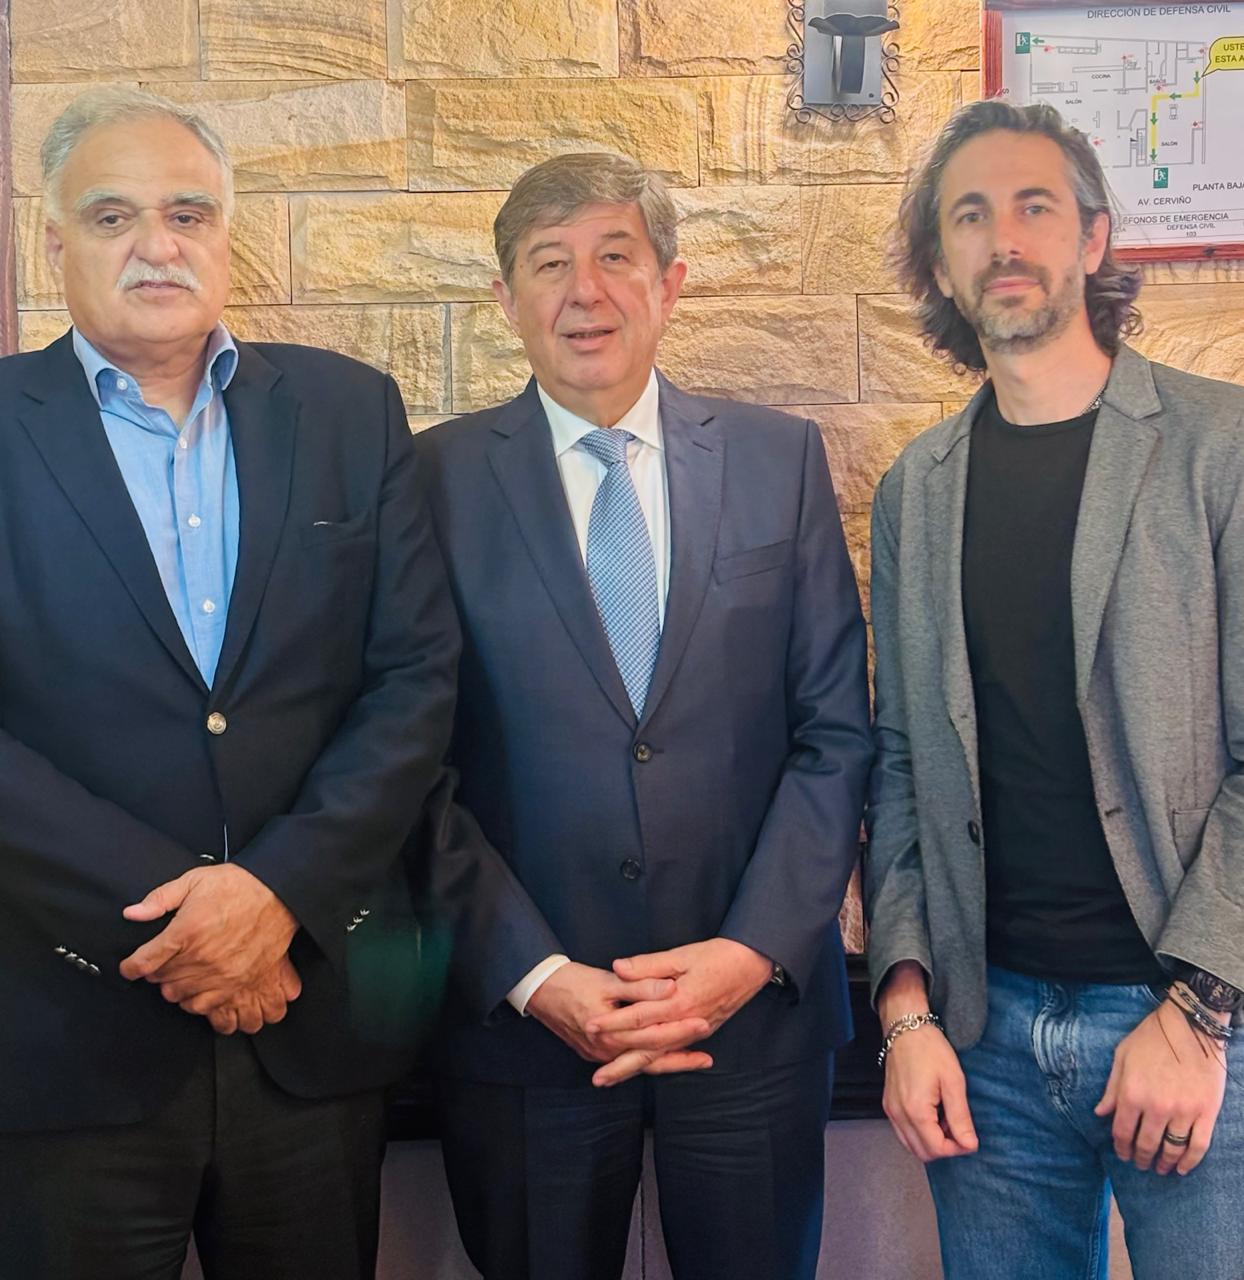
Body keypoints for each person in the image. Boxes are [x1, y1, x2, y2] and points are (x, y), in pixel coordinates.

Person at [0, 87, 459, 1279]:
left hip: (306, 1024)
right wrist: (195, 923)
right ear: (52, 242)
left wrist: (275, 892)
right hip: (65, 1034)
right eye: (112, 216)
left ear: (224, 234)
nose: (156, 245)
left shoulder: (349, 412)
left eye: (187, 213)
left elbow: (413, 680)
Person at [415, 151, 872, 1280]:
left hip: (752, 1023)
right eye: (549, 264)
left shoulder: (777, 459)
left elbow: (833, 733)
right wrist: (536, 974)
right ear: (504, 299)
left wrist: (748, 952)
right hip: (526, 1029)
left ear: (669, 284)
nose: (585, 292)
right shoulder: (429, 482)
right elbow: (408, 762)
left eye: (615, 257)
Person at [865, 98, 1244, 1278]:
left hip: (1196, 1030)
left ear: (1091, 237)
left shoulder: (1217, 447)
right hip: (983, 1045)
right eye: (968, 215)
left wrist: (1198, 1010)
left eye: (1034, 205)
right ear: (939, 262)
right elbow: (899, 763)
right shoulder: (914, 488)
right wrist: (904, 1009)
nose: (1003, 238)